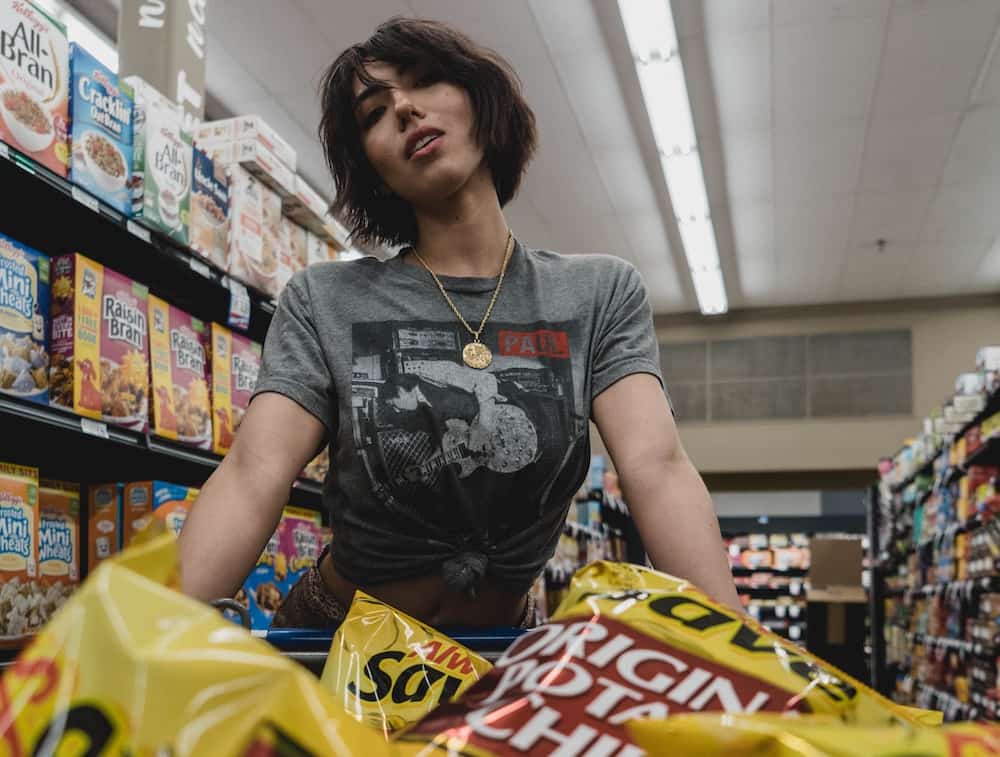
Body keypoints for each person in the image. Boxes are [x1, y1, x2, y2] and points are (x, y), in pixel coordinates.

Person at [177, 17, 741, 629]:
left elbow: (656, 469)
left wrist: (738, 646)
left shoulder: (599, 293)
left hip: (497, 664)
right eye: (373, 113)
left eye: (424, 81)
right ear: (370, 166)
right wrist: (157, 638)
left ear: (481, 99)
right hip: (332, 648)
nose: (404, 109)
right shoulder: (324, 299)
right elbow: (253, 474)